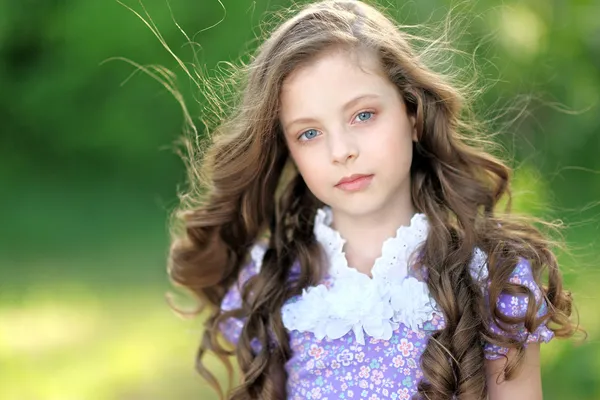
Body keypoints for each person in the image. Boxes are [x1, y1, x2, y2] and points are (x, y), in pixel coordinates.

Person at [167, 1, 577, 399]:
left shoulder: (493, 279)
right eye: (309, 133)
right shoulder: (270, 281)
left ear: (412, 114)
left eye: (362, 115)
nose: (341, 150)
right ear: (288, 150)